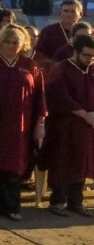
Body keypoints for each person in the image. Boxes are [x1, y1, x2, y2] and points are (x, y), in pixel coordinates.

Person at [0, 25, 46, 221]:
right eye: (7, 41)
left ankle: (9, 206)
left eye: (16, 42)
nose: (11, 46)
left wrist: (40, 123)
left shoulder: (30, 66)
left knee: (14, 164)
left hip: (20, 126)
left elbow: (39, 97)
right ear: (0, 42)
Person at [42, 34, 94, 216]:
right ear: (76, 52)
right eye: (86, 55)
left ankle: (76, 202)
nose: (89, 59)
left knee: (81, 162)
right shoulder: (60, 69)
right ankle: (57, 201)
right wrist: (84, 113)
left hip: (86, 127)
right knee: (63, 162)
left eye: (92, 56)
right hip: (64, 124)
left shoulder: (92, 70)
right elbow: (60, 96)